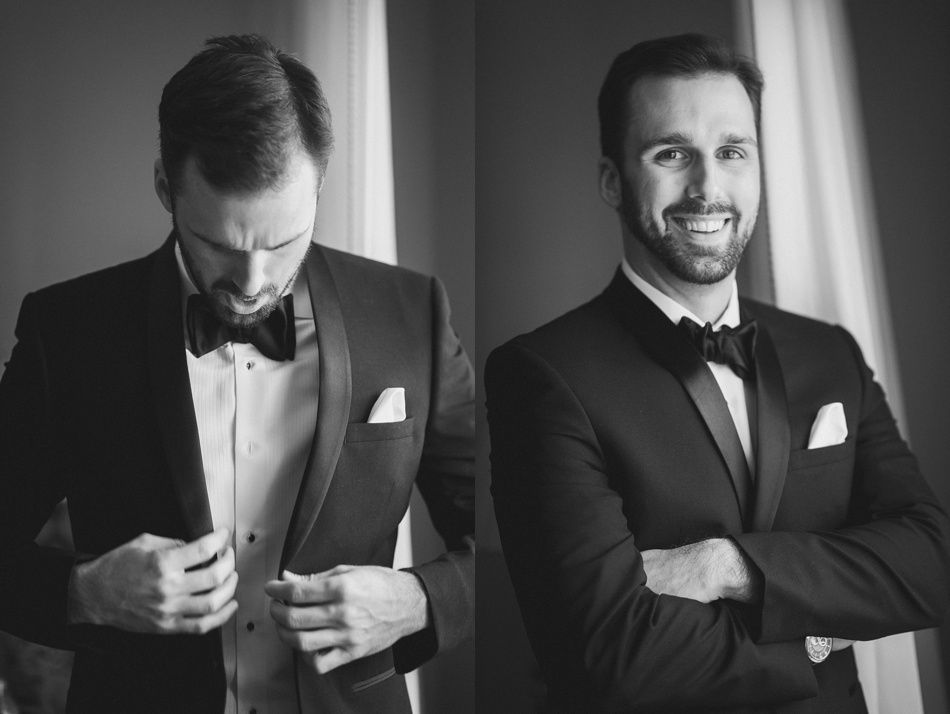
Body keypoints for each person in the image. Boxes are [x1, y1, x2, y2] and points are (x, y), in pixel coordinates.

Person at [0, 34, 474, 714]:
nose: (253, 284)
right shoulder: (67, 333)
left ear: (319, 184)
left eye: (283, 242)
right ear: (165, 184)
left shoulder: (411, 314)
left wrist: (419, 601)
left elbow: (511, 532)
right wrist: (87, 591)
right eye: (219, 243)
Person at [485, 33, 950, 713]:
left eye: (732, 153)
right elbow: (607, 658)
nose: (708, 186)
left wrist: (728, 568)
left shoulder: (831, 353)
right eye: (672, 154)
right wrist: (818, 635)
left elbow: (932, 561)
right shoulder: (540, 376)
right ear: (612, 180)